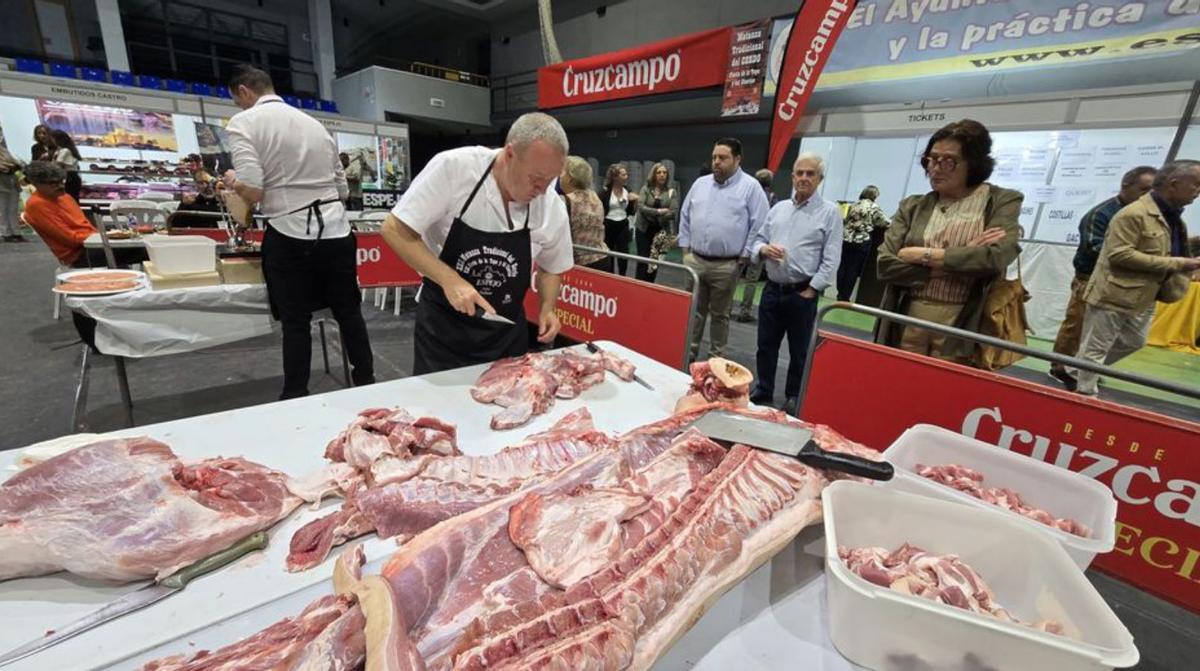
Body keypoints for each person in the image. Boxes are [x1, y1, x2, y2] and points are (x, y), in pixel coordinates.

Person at [220, 64, 374, 400]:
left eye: (238, 100)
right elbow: (342, 188)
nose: (239, 107)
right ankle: (366, 381)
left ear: (244, 91)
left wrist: (233, 181)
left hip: (289, 232)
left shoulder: (244, 123)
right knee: (349, 312)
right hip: (336, 230)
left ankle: (295, 396)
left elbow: (254, 190)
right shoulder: (315, 124)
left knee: (296, 321)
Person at [381, 112, 572, 374]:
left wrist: (548, 308)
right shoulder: (454, 169)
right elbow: (394, 228)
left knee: (507, 409)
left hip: (504, 334)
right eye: (535, 178)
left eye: (550, 180)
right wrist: (450, 279)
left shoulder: (551, 205)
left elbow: (551, 267)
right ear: (510, 153)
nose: (541, 189)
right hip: (443, 332)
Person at [875, 119, 1023, 362]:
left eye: (949, 161)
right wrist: (966, 254)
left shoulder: (1001, 201)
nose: (936, 168)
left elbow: (997, 256)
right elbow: (886, 265)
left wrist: (922, 255)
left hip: (965, 320)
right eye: (932, 159)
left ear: (974, 163)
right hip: (908, 315)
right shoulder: (913, 206)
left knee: (947, 390)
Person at [1070, 160, 1200, 397]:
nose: (1198, 192)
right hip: (1113, 293)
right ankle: (1085, 394)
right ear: (1173, 184)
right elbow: (1119, 255)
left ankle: (1076, 368)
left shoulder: (1171, 217)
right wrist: (1180, 264)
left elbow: (1165, 249)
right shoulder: (1133, 214)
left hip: (1146, 294)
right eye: (1196, 185)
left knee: (1134, 342)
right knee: (1096, 349)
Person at [747, 153, 842, 416]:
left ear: (820, 179)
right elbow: (756, 241)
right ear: (792, 177)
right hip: (772, 291)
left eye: (810, 174)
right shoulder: (778, 209)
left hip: (802, 293)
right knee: (765, 345)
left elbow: (832, 257)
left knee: (799, 352)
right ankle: (763, 388)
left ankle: (792, 395)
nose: (804, 178)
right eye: (799, 173)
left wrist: (812, 290)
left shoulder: (829, 213)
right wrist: (764, 249)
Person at [1048, 166, 1156, 390]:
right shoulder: (1101, 214)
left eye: (1152, 190)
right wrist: (1133, 258)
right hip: (1090, 278)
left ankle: (1083, 368)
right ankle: (1060, 367)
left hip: (1124, 284)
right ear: (1126, 186)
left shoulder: (1148, 216)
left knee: (1112, 335)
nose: (1147, 195)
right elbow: (1093, 247)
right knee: (1077, 326)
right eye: (1143, 189)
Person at [679, 137, 771, 361]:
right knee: (694, 312)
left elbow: (760, 223)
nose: (716, 162)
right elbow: (685, 215)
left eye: (722, 158)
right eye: (714, 157)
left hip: (727, 264)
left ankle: (715, 359)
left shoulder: (750, 188)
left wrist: (745, 255)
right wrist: (685, 250)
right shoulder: (700, 184)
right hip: (696, 260)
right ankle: (687, 354)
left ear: (737, 159)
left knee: (720, 315)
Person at [735, 168, 777, 322]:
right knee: (751, 280)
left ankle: (724, 308)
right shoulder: (772, 198)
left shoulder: (747, 194)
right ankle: (744, 312)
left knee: (734, 276)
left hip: (742, 242)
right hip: (759, 243)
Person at [559, 155, 610, 272]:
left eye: (562, 172)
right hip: (602, 259)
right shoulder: (595, 197)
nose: (559, 177)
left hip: (579, 264)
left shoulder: (563, 201)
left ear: (570, 178)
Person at [838, 185, 888, 301]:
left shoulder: (853, 205)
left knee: (843, 266)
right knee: (853, 269)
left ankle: (839, 292)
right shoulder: (873, 207)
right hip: (861, 241)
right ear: (874, 195)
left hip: (846, 239)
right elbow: (884, 222)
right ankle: (845, 297)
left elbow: (845, 220)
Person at [634, 162, 678, 282]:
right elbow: (641, 207)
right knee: (643, 260)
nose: (662, 175)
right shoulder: (646, 189)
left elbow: (673, 212)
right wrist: (659, 211)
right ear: (654, 174)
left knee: (654, 262)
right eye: (659, 172)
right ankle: (638, 285)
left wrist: (655, 215)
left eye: (664, 173)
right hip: (643, 229)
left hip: (660, 233)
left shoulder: (671, 192)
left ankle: (650, 286)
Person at [599, 163, 638, 276]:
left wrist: (634, 202)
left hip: (623, 224)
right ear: (615, 177)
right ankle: (610, 276)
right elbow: (601, 209)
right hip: (609, 224)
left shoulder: (628, 191)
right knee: (609, 252)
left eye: (626, 174)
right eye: (623, 174)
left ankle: (622, 276)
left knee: (623, 252)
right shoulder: (605, 192)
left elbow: (631, 212)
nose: (626, 177)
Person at [50, 129, 82, 203]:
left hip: (69, 177)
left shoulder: (64, 151)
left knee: (69, 200)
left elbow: (57, 164)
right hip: (73, 177)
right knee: (73, 199)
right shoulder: (68, 150)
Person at [0, 143, 24, 242]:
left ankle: (16, 232)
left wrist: (15, 166)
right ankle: (6, 233)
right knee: (3, 209)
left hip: (12, 181)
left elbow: (16, 163)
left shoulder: (4, 150)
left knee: (14, 209)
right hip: (1, 184)